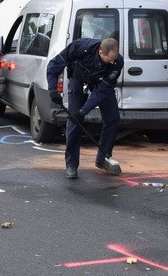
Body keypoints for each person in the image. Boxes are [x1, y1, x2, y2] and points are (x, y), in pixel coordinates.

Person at [46, 37, 124, 179]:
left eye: (115, 59)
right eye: (109, 59)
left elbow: (102, 90)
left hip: (100, 84)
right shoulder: (80, 48)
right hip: (78, 78)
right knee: (74, 121)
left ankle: (103, 159)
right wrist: (52, 89)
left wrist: (83, 111)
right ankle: (71, 164)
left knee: (113, 118)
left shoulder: (117, 62)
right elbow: (54, 65)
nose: (113, 62)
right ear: (100, 52)